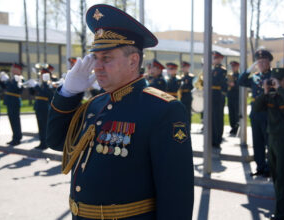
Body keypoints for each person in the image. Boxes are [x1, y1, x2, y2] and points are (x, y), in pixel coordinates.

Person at [46, 4, 194, 220]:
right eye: (95, 58)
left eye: (106, 58)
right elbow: (56, 140)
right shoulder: (94, 105)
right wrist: (68, 93)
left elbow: (176, 194)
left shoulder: (163, 109)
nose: (97, 66)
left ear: (133, 61)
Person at [253, 68, 284, 220]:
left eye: (278, 80)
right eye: (274, 80)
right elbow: (256, 108)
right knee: (275, 176)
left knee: (280, 176)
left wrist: (280, 88)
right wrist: (266, 91)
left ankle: (282, 214)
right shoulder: (271, 96)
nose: (275, 82)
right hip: (272, 138)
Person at [239, 49, 272, 177]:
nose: (261, 64)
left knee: (268, 142)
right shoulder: (255, 77)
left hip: (267, 112)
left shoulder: (272, 76)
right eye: (259, 62)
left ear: (269, 62)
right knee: (257, 142)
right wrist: (249, 70)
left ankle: (269, 167)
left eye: (264, 61)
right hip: (255, 113)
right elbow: (241, 82)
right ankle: (260, 166)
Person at [27, 68, 55, 150]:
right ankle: (42, 142)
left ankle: (45, 143)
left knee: (44, 126)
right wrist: (31, 86)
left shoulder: (49, 84)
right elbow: (33, 93)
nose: (41, 76)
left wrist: (36, 86)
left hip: (45, 107)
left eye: (43, 74)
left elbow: (48, 94)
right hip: (38, 106)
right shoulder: (41, 84)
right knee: (40, 126)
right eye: (41, 74)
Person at [1, 63, 24, 146]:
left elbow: (18, 89)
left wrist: (8, 81)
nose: (11, 69)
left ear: (18, 70)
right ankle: (14, 137)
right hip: (10, 101)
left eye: (13, 68)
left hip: (14, 101)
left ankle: (17, 138)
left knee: (15, 121)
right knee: (12, 120)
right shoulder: (12, 78)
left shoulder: (20, 78)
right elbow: (5, 87)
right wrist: (2, 80)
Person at [211, 51, 227, 149]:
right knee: (212, 118)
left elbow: (218, 81)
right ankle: (212, 138)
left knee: (218, 118)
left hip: (218, 96)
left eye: (216, 58)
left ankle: (217, 139)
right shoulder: (212, 70)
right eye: (214, 58)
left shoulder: (222, 70)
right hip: (212, 95)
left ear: (220, 59)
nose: (214, 59)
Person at [227, 61, 240, 136]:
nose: (233, 68)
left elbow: (239, 86)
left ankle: (236, 127)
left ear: (237, 67)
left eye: (234, 66)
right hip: (230, 96)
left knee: (236, 113)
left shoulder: (239, 75)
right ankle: (232, 126)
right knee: (231, 113)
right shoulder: (230, 75)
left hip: (236, 97)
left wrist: (233, 85)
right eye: (232, 67)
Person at [180, 61, 194, 126]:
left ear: (188, 68)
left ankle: (189, 126)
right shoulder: (181, 77)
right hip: (182, 96)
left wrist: (185, 85)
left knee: (188, 112)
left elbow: (192, 87)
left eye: (184, 67)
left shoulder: (191, 77)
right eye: (182, 67)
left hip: (188, 96)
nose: (183, 69)